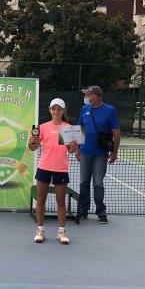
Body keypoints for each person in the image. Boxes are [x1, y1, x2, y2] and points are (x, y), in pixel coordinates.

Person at [28, 98, 77, 244]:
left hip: (61, 169)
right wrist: (31, 143)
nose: (56, 111)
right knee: (40, 200)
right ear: (50, 110)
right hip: (44, 167)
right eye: (53, 108)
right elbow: (33, 148)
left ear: (63, 111)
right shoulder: (42, 127)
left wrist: (74, 146)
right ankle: (40, 230)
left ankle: (61, 232)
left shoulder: (68, 128)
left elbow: (71, 150)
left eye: (59, 109)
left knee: (60, 202)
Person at [74, 85, 121, 224]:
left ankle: (101, 212)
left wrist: (114, 152)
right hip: (84, 152)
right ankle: (83, 210)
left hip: (101, 153)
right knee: (83, 182)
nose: (86, 97)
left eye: (88, 95)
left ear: (96, 96)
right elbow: (79, 129)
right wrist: (77, 149)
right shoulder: (84, 109)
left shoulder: (110, 110)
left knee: (98, 183)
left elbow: (116, 132)